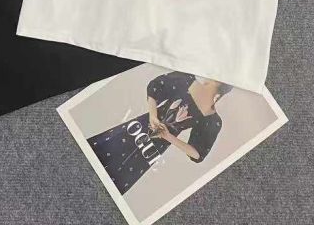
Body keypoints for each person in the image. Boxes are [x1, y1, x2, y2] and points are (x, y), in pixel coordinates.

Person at [87, 71, 232, 194]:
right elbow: (155, 86)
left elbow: (198, 154)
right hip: (141, 126)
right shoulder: (186, 79)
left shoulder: (212, 119)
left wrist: (168, 136)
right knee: (103, 149)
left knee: (121, 177)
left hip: (156, 147)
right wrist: (153, 115)